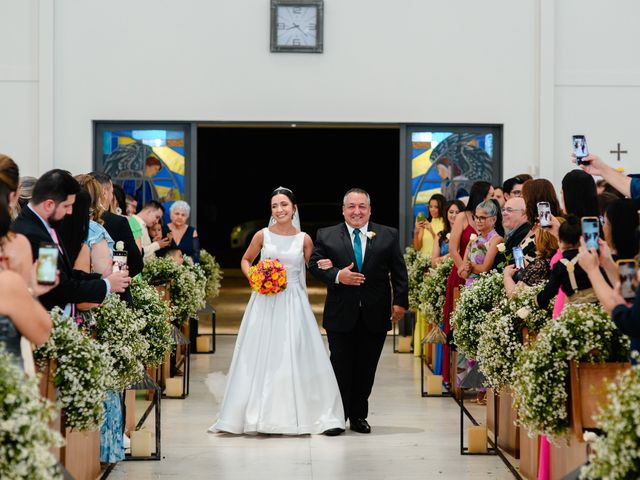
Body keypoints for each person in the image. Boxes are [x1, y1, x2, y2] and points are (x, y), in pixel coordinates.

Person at [210, 187, 345, 436]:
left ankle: (298, 413)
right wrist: (255, 278)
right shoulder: (262, 236)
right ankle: (256, 414)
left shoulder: (304, 238)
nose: (279, 210)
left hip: (293, 302)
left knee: (292, 352)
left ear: (294, 208)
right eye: (274, 206)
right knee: (260, 353)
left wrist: (326, 265)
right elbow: (246, 259)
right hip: (263, 301)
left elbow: (312, 266)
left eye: (284, 204)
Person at [309, 188, 408, 434]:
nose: (357, 211)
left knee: (366, 367)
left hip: (375, 313)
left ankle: (358, 416)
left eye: (362, 206)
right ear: (343, 210)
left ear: (370, 210)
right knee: (340, 366)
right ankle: (336, 418)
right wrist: (337, 275)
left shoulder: (388, 235)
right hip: (340, 314)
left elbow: (399, 272)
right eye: (351, 206)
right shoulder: (327, 235)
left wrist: (400, 303)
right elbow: (314, 266)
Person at [11, 169, 130, 312]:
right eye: (66, 206)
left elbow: (63, 274)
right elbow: (55, 286)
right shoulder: (33, 233)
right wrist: (107, 285)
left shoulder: (42, 226)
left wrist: (101, 277)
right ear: (49, 204)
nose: (70, 212)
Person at [459, 200, 503, 285]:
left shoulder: (496, 239)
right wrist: (466, 269)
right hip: (468, 288)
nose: (478, 221)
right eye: (476, 217)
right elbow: (463, 273)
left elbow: (484, 269)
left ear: (493, 219)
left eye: (482, 218)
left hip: (485, 287)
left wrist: (470, 266)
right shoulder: (473, 239)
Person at [431, 200, 464, 265]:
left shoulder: (466, 234)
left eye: (457, 212)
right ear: (446, 214)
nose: (454, 215)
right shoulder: (440, 235)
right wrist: (450, 255)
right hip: (443, 272)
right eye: (451, 212)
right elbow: (433, 263)